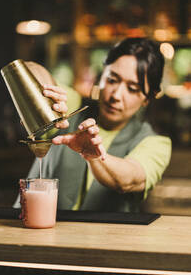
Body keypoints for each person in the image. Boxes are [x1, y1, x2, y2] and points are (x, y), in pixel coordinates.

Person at [14, 37, 172, 212]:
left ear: (148, 98)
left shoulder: (156, 143)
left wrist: (94, 156)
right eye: (112, 80)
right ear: (101, 76)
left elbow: (129, 179)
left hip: (100, 239)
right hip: (30, 230)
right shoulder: (72, 105)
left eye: (132, 89)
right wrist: (44, 90)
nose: (116, 95)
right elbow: (32, 71)